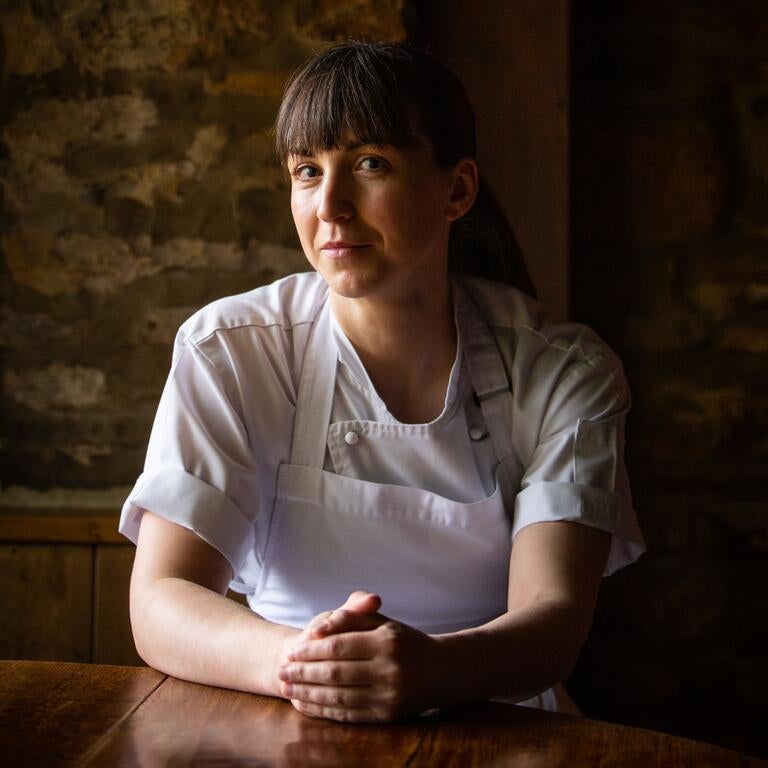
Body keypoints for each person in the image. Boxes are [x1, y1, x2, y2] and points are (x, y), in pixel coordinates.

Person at [120, 41, 645, 724]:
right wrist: (306, 665)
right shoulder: (232, 351)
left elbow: (552, 625)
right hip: (281, 712)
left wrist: (435, 672)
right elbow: (162, 598)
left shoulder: (562, 372)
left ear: (456, 190)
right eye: (307, 171)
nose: (330, 205)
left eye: (370, 164)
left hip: (502, 727)